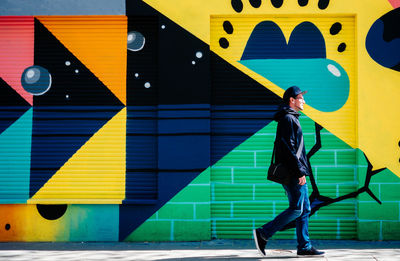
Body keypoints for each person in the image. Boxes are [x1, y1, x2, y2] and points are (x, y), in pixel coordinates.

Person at [253, 86, 324, 257]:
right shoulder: (287, 119)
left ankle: (304, 247)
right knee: (297, 208)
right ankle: (263, 233)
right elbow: (287, 148)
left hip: (297, 171)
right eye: (301, 97)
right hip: (294, 173)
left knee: (304, 208)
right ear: (292, 100)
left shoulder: (291, 118)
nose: (304, 101)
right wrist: (299, 172)